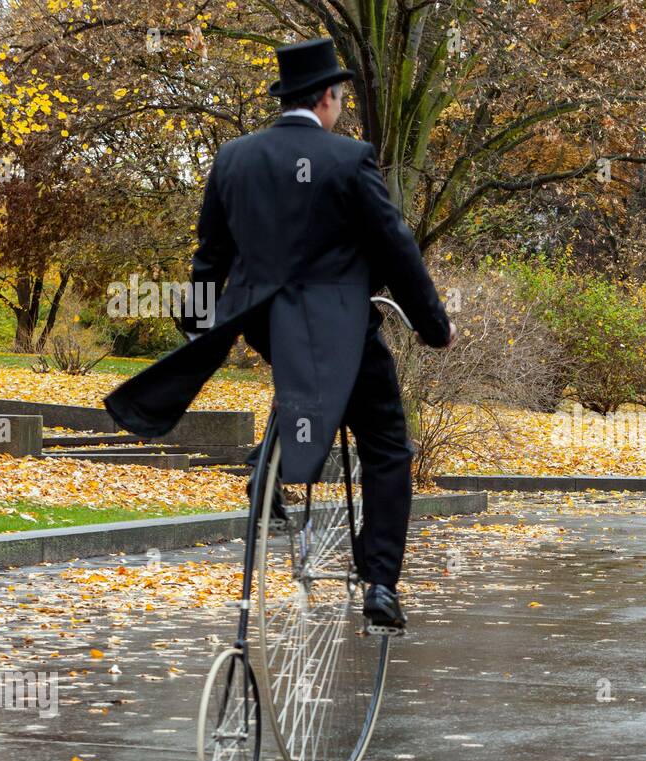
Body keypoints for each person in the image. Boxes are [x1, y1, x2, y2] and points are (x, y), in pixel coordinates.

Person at [104, 37, 456, 630]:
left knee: (304, 379)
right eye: (339, 98)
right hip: (336, 323)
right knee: (388, 445)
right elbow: (396, 250)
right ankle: (380, 583)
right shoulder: (349, 159)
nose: (340, 107)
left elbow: (210, 256)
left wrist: (198, 323)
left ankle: (267, 467)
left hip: (263, 322)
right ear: (325, 97)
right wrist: (433, 325)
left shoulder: (234, 157)